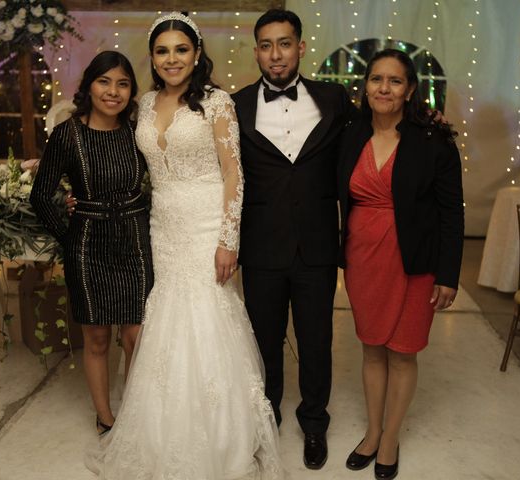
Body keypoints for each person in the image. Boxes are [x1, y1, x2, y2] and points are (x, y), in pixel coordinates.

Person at [84, 12, 283, 479]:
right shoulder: (144, 103)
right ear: (152, 58)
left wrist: (227, 238)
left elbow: (234, 172)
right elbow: (116, 149)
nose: (171, 59)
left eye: (180, 49)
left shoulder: (216, 103)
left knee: (209, 319)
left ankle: (223, 437)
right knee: (165, 323)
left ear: (196, 54)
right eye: (161, 51)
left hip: (206, 223)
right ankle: (163, 433)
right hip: (162, 226)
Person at [232, 9, 358, 469]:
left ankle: (315, 424)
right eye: (266, 45)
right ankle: (266, 422)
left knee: (315, 341)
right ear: (257, 51)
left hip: (317, 246)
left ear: (301, 47)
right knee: (262, 343)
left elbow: (377, 133)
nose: (275, 54)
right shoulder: (237, 104)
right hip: (261, 246)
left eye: (284, 43)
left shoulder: (335, 100)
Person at [338, 48, 464, 479]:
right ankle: (372, 432)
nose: (384, 88)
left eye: (394, 81)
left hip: (415, 261)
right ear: (366, 86)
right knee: (372, 349)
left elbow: (452, 213)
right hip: (363, 258)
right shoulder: (351, 135)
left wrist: (449, 275)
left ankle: (391, 437)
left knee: (403, 353)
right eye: (376, 79)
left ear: (410, 89)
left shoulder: (434, 141)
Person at [30, 51, 153, 436]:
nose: (113, 92)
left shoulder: (139, 131)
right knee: (97, 337)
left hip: (134, 241)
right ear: (89, 86)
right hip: (88, 246)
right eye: (105, 82)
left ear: (131, 91)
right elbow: (40, 195)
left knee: (137, 335)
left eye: (122, 83)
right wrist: (69, 236)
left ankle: (136, 412)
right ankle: (105, 417)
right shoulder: (68, 134)